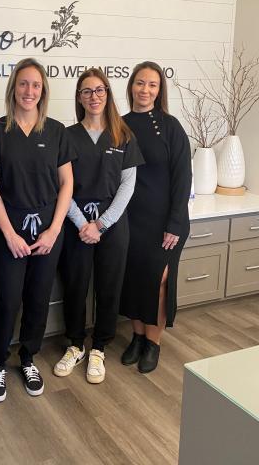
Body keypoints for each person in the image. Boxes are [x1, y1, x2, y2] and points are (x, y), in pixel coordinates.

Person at [0, 57, 75, 402]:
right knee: (7, 300)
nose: (29, 91)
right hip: (11, 230)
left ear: (43, 91)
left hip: (49, 231)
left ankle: (27, 357)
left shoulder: (56, 131)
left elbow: (67, 184)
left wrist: (53, 231)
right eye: (23, 83)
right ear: (13, 88)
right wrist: (8, 232)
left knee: (38, 298)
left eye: (36, 85)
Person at [54, 68, 144, 383]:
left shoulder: (123, 135)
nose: (94, 96)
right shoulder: (67, 135)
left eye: (100, 90)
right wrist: (82, 223)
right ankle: (76, 344)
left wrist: (102, 224)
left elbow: (128, 186)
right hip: (76, 223)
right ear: (79, 97)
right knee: (75, 287)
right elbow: (62, 184)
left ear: (107, 94)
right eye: (87, 91)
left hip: (113, 225)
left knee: (109, 287)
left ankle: (99, 348)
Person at [120, 61, 192, 373]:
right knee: (134, 280)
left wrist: (175, 223)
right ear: (131, 86)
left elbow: (183, 177)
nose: (145, 90)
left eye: (152, 85)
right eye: (140, 83)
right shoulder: (118, 124)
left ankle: (153, 342)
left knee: (159, 281)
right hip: (129, 219)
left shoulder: (171, 126)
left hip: (166, 221)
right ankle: (136, 336)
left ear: (159, 89)